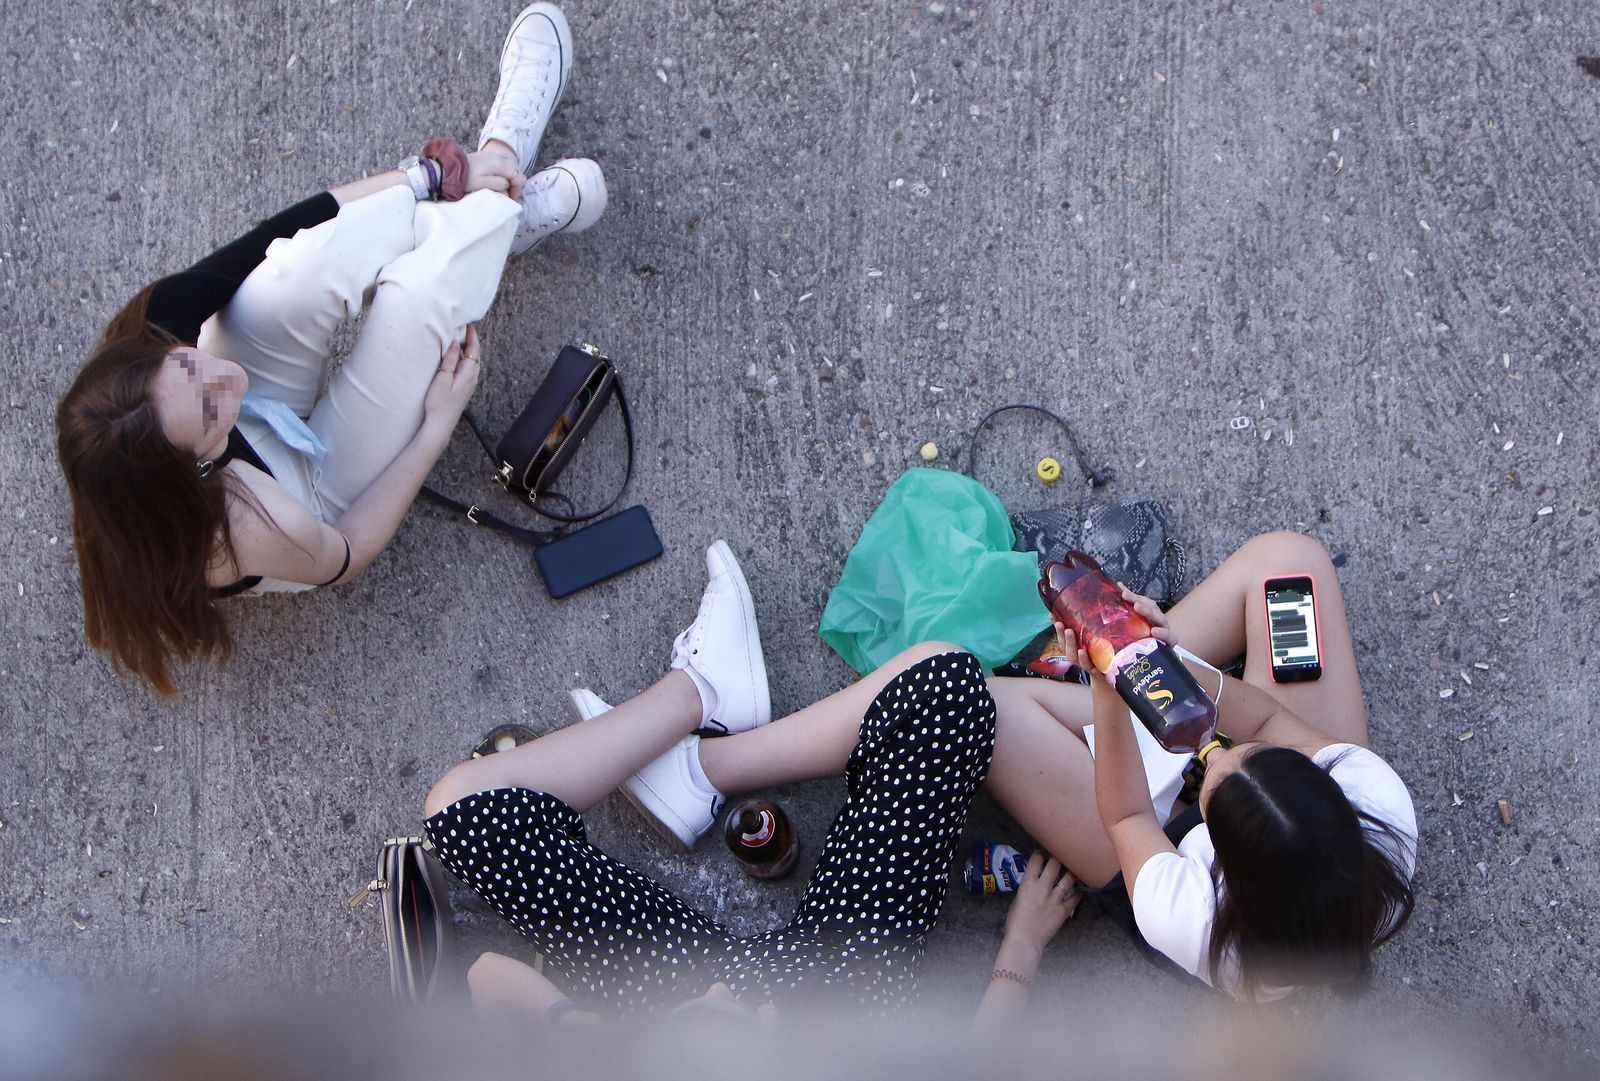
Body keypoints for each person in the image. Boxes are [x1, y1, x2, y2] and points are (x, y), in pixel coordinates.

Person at [55, 3, 607, 696]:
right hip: (305, 492)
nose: (226, 378)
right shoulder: (242, 527)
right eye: (210, 408)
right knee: (418, 305)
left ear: (157, 355)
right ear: (195, 463)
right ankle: (498, 207)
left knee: (294, 269)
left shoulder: (157, 335)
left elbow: (280, 233)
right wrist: (436, 425)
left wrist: (427, 177)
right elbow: (347, 554)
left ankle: (488, 184)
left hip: (231, 434)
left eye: (190, 364)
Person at [424, 541, 1003, 1021]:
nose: (740, 995)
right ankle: (700, 753)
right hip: (843, 1001)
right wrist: (1018, 956)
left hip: (670, 999)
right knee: (944, 689)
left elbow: (484, 975)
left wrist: (575, 1028)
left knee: (466, 813)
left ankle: (698, 703)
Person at [978, 531, 1418, 1001]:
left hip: (1152, 832)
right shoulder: (1375, 799)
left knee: (987, 712)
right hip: (1256, 824)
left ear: (1216, 857)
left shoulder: (1193, 919)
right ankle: (1136, 668)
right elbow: (1266, 720)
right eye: (1251, 753)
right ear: (1326, 785)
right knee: (1289, 567)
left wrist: (1109, 687)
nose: (1217, 753)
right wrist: (1161, 657)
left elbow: (1128, 816)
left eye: (1212, 781)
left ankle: (1103, 691)